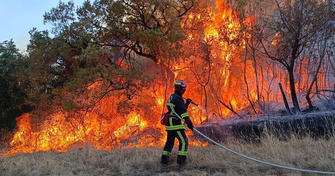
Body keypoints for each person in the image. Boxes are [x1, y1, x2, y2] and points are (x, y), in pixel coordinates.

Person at [161, 80, 194, 167]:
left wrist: (187, 103)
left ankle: (164, 162)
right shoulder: (178, 98)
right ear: (181, 89)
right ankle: (181, 162)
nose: (184, 90)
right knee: (184, 141)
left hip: (170, 123)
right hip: (175, 123)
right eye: (184, 89)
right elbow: (183, 113)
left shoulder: (173, 97)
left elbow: (177, 110)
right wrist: (189, 123)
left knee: (169, 143)